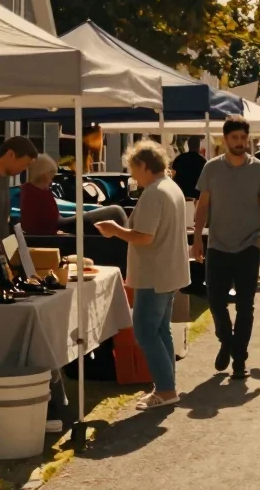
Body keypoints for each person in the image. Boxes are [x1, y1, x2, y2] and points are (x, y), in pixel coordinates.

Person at [96, 141, 189, 409]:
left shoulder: (154, 193)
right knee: (160, 330)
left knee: (146, 331)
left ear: (144, 166)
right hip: (169, 271)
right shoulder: (171, 187)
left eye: (133, 169)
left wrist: (115, 230)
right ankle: (167, 385)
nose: (132, 175)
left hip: (154, 273)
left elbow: (144, 237)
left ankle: (166, 389)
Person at [190, 116, 260, 380]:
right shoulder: (212, 169)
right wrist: (196, 239)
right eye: (234, 138)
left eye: (243, 138)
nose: (239, 142)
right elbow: (202, 205)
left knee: (245, 305)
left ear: (247, 139)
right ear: (225, 139)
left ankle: (239, 359)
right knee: (215, 301)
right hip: (217, 244)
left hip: (249, 244)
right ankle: (227, 341)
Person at [20, 153, 129, 235]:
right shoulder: (37, 193)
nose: (51, 181)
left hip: (61, 226)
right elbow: (51, 223)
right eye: (51, 177)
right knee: (116, 211)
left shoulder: (34, 191)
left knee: (116, 211)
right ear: (44, 176)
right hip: (62, 226)